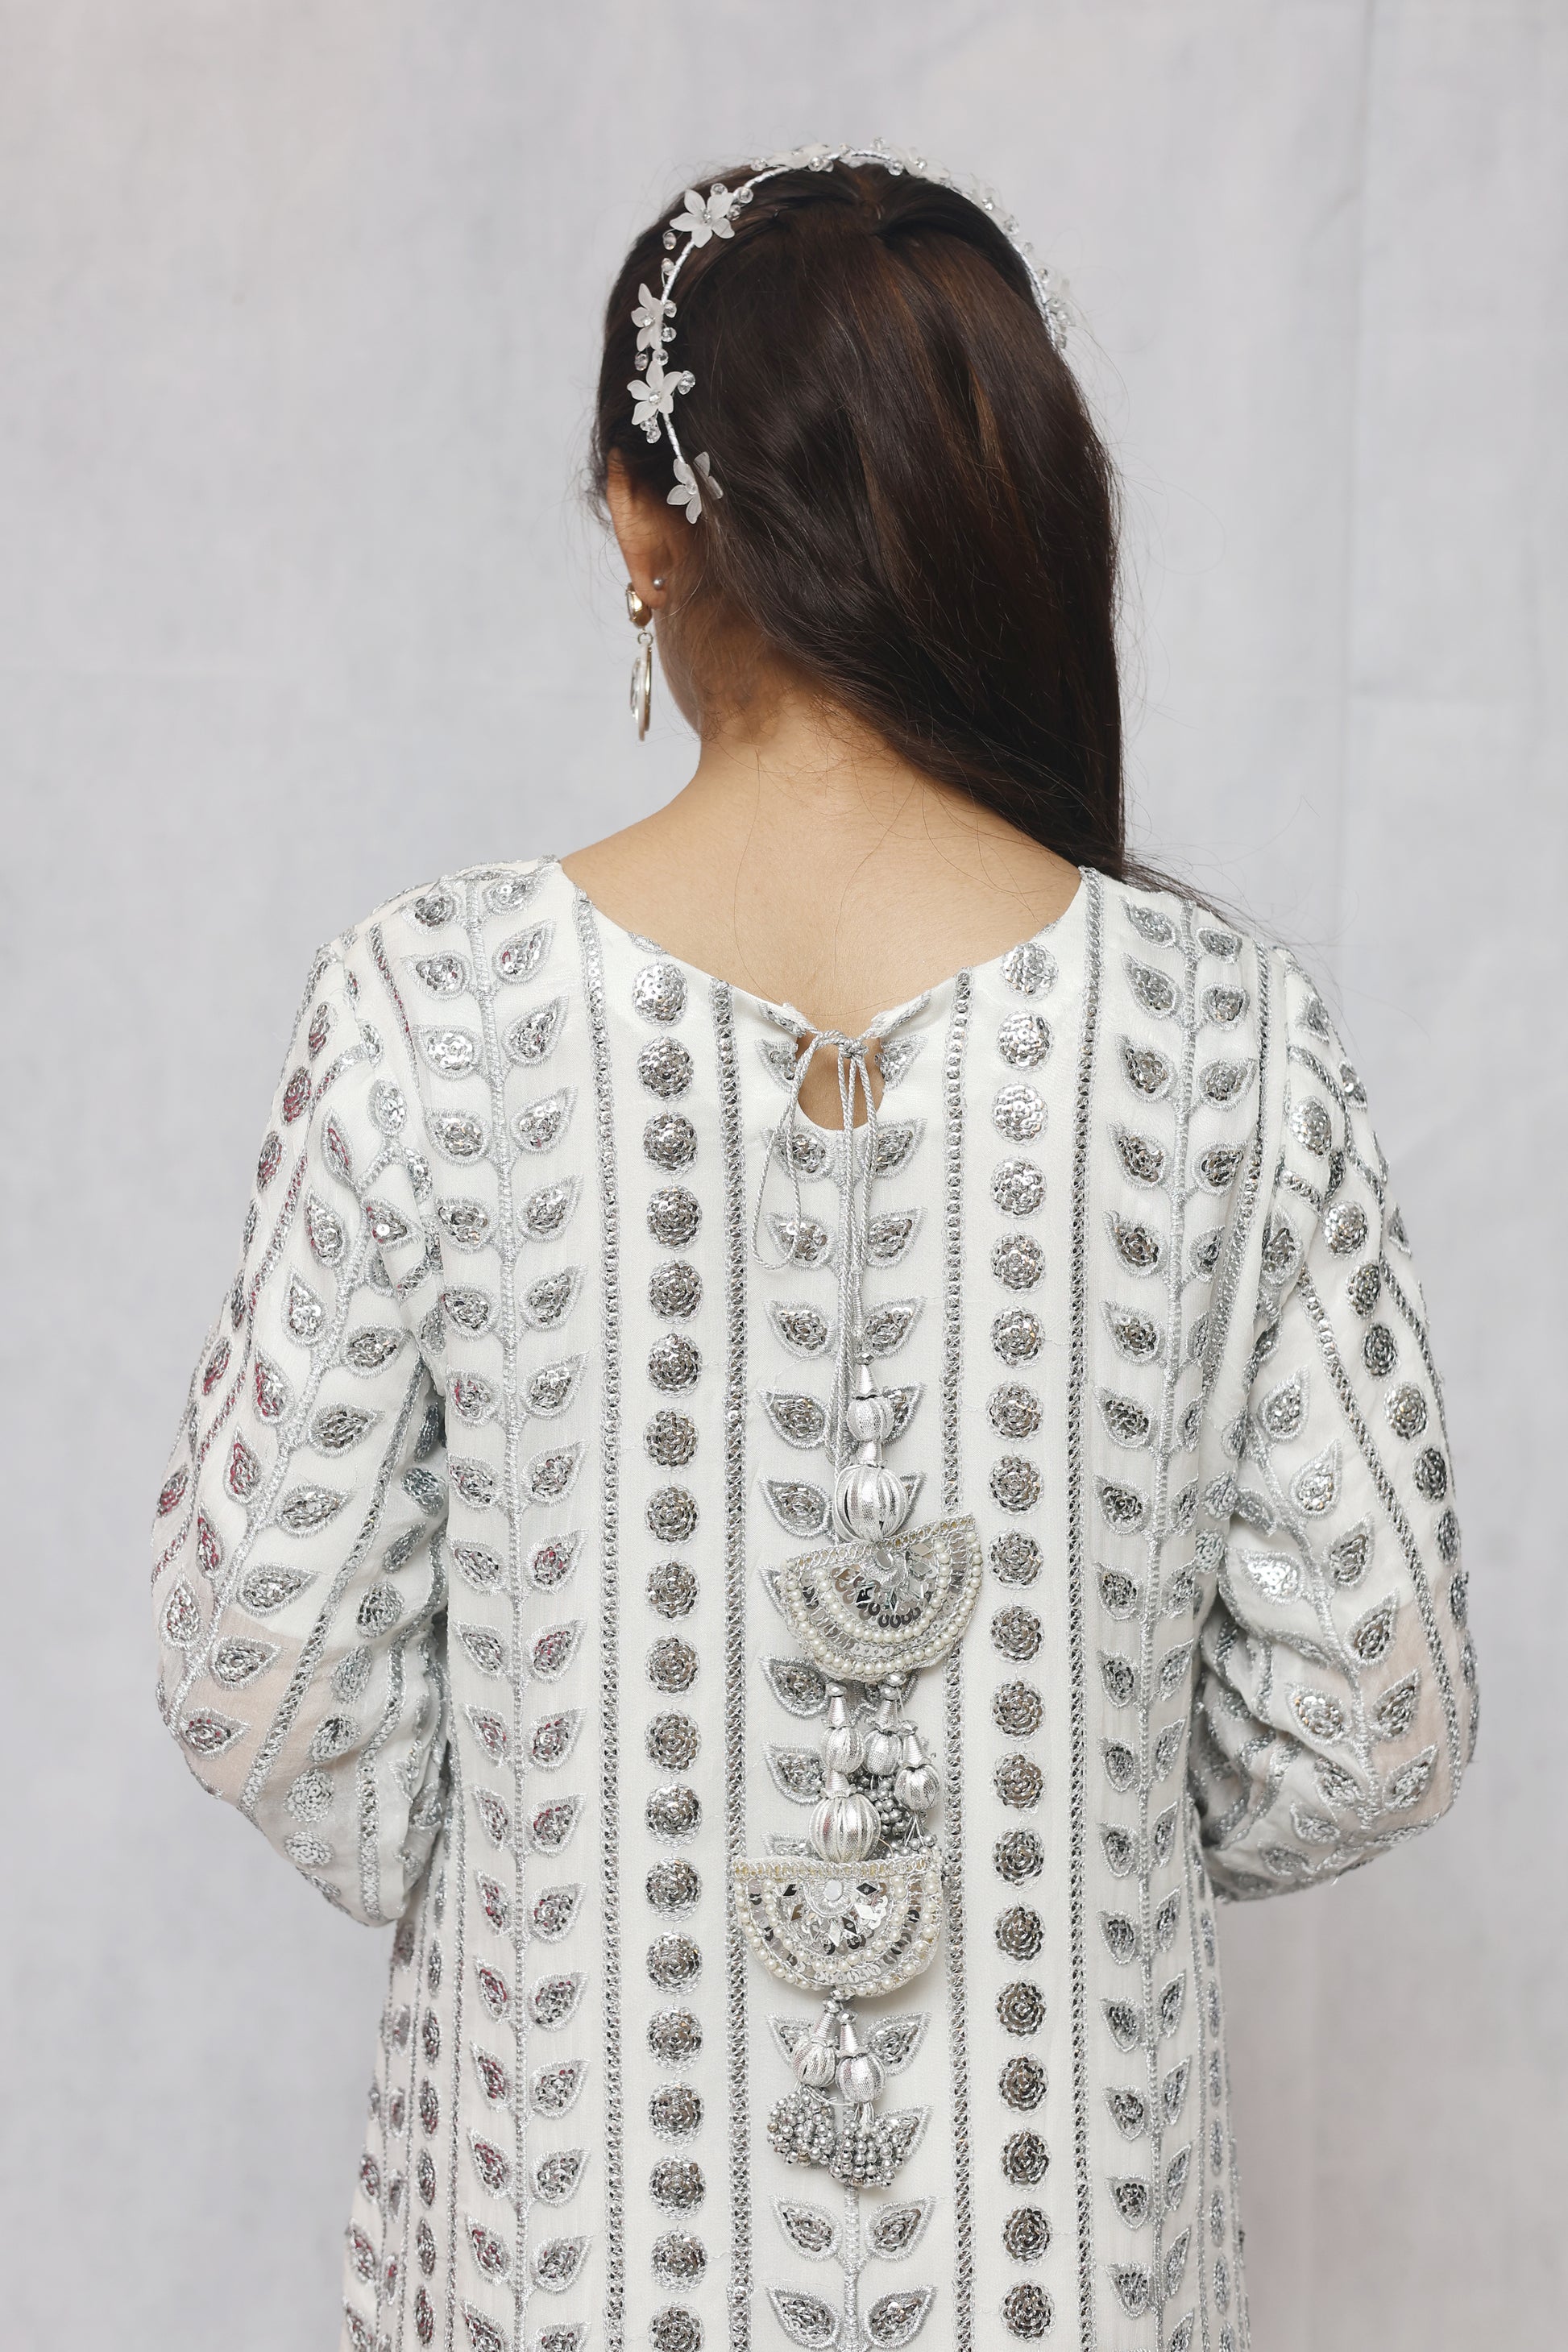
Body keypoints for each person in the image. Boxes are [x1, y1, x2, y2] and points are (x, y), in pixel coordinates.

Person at [150, 147, 1475, 2352]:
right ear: (1000, 510)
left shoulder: (429, 1013)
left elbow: (253, 1666)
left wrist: (553, 1826)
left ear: (639, 516)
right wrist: (1060, 1803)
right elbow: (1372, 1718)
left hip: (563, 2254)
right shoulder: (1223, 1044)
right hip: (1055, 2267)